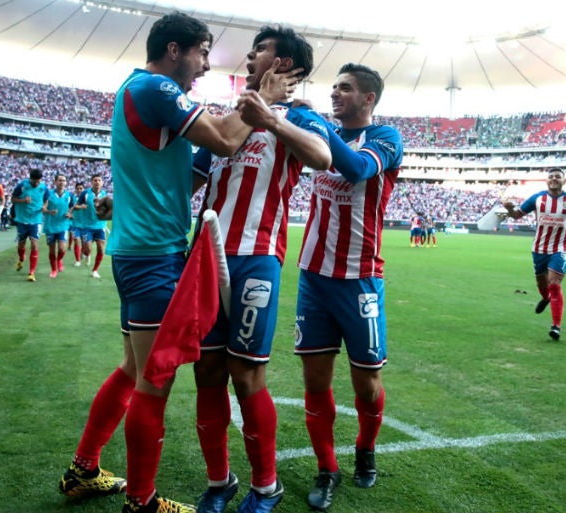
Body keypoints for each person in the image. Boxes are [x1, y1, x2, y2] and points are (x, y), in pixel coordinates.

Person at [57, 12, 298, 513]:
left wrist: (115, 203)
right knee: (154, 382)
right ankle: (142, 502)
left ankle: (83, 467)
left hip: (138, 248)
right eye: (203, 53)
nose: (207, 65)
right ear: (174, 50)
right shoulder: (154, 88)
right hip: (152, 256)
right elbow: (227, 139)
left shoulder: (141, 91)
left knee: (131, 369)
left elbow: (160, 169)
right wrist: (267, 102)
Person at [193, 25, 331, 513]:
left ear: (286, 65)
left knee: (246, 373)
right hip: (205, 259)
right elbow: (192, 174)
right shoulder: (225, 118)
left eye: (262, 50)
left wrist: (269, 118)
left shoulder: (302, 117)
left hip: (256, 258)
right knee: (206, 370)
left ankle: (266, 485)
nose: (250, 55)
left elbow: (321, 157)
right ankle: (219, 482)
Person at [290, 63, 403, 512]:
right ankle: (326, 467)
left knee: (367, 383)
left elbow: (356, 169)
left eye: (346, 88)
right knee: (315, 380)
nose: (336, 93)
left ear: (369, 98)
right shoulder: (320, 137)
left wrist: (314, 121)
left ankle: (366, 448)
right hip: (314, 277)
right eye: (334, 87)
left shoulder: (386, 139)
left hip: (360, 280)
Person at [501, 167, 566, 340]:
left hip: (559, 248)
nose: (554, 179)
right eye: (551, 176)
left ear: (564, 181)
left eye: (558, 177)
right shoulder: (537, 199)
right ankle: (545, 299)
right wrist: (509, 208)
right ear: (547, 180)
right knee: (542, 284)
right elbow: (516, 215)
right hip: (539, 248)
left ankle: (556, 326)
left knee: (554, 283)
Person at [11, 168, 48, 282]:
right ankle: (21, 259)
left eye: (38, 181)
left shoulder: (43, 187)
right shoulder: (22, 186)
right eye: (35, 181)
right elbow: (12, 199)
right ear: (30, 178)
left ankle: (31, 272)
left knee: (34, 244)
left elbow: (46, 200)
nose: (37, 183)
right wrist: (23, 200)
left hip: (36, 220)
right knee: (21, 245)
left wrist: (44, 207)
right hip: (22, 220)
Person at [73, 174, 109, 278]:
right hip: (87, 226)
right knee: (87, 249)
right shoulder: (85, 193)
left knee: (101, 249)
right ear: (91, 182)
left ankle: (95, 270)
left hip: (100, 226)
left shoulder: (105, 195)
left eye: (99, 180)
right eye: (95, 180)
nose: (97, 182)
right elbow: (75, 206)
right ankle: (86, 254)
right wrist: (81, 206)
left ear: (102, 183)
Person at [42, 173, 73, 278]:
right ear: (55, 182)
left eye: (64, 180)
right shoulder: (49, 194)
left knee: (61, 249)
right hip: (50, 226)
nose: (62, 182)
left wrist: (70, 214)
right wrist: (50, 211)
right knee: (51, 249)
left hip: (63, 225)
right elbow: (43, 209)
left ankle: (59, 260)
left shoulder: (69, 195)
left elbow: (73, 208)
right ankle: (54, 270)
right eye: (60, 180)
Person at [69, 182, 86, 267]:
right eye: (78, 188)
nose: (79, 190)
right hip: (75, 223)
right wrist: (69, 214)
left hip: (85, 224)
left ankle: (83, 252)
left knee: (84, 242)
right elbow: (70, 207)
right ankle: (77, 260)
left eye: (81, 188)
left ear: (83, 189)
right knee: (76, 241)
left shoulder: (87, 198)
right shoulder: (72, 198)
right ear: (75, 189)